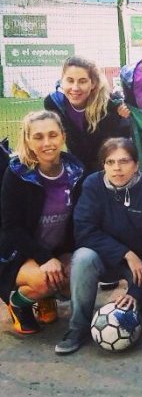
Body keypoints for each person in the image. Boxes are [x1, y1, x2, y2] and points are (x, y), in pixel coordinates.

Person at [55, 138, 142, 354]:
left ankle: (128, 316)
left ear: (136, 165)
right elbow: (84, 231)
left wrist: (135, 293)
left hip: (141, 266)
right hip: (104, 257)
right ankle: (78, 327)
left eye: (124, 161)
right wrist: (125, 253)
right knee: (82, 257)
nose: (117, 168)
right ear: (103, 165)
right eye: (110, 162)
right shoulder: (92, 185)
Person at [0, 111, 83, 334]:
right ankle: (17, 303)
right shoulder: (17, 174)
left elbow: (78, 221)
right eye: (38, 137)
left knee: (77, 277)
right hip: (18, 253)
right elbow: (11, 229)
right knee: (44, 282)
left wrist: (67, 255)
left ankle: (46, 298)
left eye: (53, 135)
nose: (47, 143)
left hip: (56, 250)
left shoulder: (76, 170)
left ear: (63, 136)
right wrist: (44, 259)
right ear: (27, 139)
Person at [44, 56, 129, 174]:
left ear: (93, 83)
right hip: (75, 170)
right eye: (70, 80)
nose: (75, 88)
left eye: (82, 81)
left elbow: (119, 145)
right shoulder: (53, 103)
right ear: (62, 81)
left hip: (107, 171)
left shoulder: (110, 106)